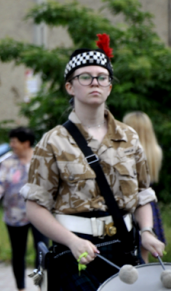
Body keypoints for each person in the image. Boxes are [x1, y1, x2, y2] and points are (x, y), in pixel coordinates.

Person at [22, 36, 165, 290]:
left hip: (124, 248)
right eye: (85, 77)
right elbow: (34, 207)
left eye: (102, 77)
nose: (95, 82)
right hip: (75, 251)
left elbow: (143, 194)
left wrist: (147, 232)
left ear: (109, 86)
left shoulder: (129, 136)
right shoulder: (53, 141)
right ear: (70, 87)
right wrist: (72, 241)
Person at [0, 127, 48, 291]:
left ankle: (41, 285)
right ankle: (21, 288)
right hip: (15, 215)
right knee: (18, 253)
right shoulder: (8, 163)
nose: (11, 145)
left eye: (14, 141)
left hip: (41, 214)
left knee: (42, 251)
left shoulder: (42, 159)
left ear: (26, 143)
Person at [123, 111, 165, 263]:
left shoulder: (128, 153)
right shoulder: (156, 151)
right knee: (145, 253)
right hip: (150, 204)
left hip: (135, 203)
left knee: (133, 252)